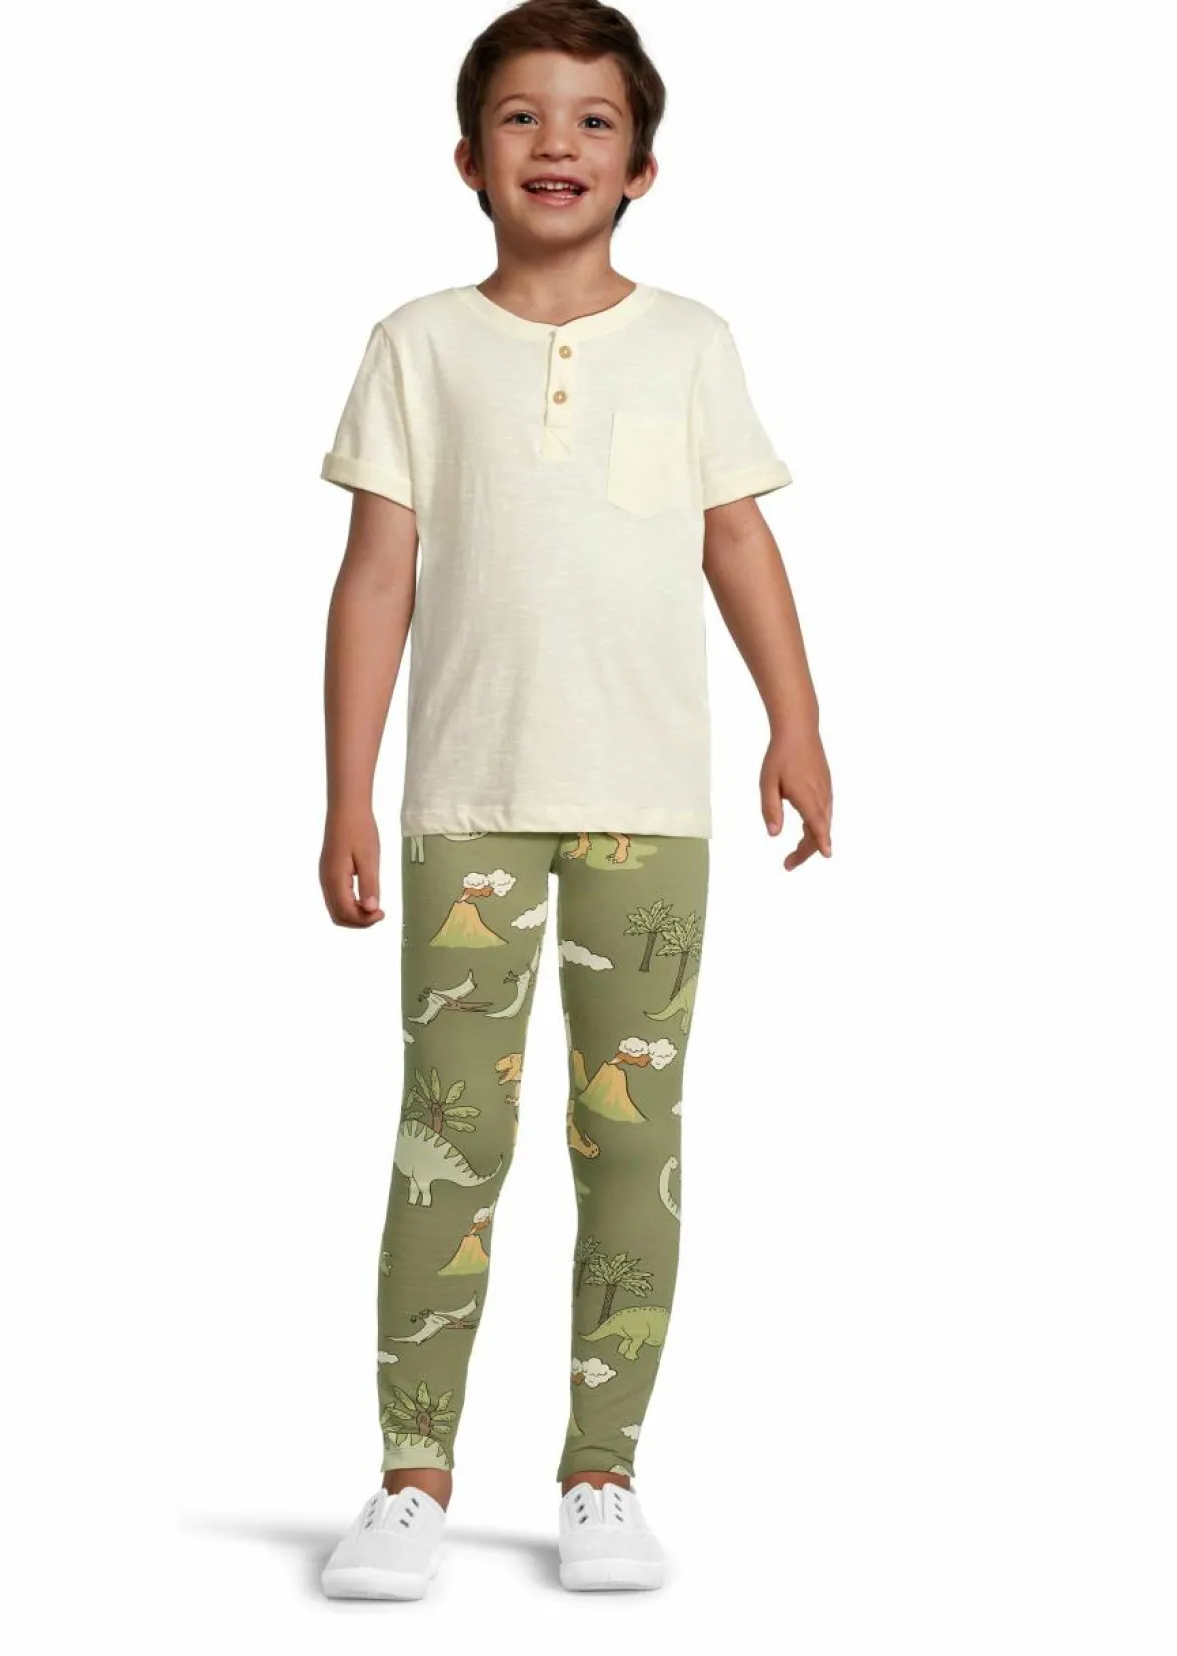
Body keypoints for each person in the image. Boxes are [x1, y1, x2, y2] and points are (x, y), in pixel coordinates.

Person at [314, 0, 832, 1599]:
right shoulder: (417, 343)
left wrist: (800, 725)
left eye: (594, 120)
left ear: (643, 166)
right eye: (523, 117)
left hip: (647, 809)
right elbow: (377, 576)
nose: (558, 143)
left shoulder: (691, 344)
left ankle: (603, 1475)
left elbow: (737, 539)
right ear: (469, 159)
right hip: (467, 801)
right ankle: (411, 1477)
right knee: (448, 1142)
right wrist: (347, 798)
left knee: (631, 1141)